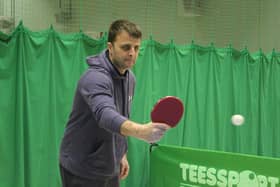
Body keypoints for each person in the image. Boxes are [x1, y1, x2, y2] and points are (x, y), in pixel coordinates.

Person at [59, 19, 170, 187]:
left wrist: (121, 153)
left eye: (136, 48)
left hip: (109, 166)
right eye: (126, 47)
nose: (132, 53)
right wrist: (141, 131)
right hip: (81, 168)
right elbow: (106, 115)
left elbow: (121, 116)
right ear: (110, 48)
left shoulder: (129, 78)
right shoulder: (94, 78)